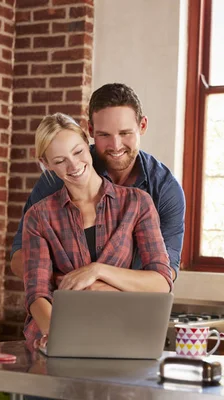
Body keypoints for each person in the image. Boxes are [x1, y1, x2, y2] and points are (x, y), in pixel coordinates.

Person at [11, 83, 185, 289]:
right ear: (91, 131)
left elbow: (167, 272)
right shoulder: (61, 176)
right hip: (64, 304)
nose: (116, 145)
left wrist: (98, 274)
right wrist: (71, 283)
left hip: (130, 308)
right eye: (104, 135)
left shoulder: (164, 190)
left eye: (125, 133)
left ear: (143, 126)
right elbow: (19, 258)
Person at [23, 113, 172, 349]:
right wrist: (61, 335)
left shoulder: (137, 203)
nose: (73, 165)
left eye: (78, 152)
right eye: (60, 160)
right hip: (58, 334)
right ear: (46, 162)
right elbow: (37, 293)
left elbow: (161, 282)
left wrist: (97, 272)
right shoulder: (39, 216)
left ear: (86, 141)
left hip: (121, 333)